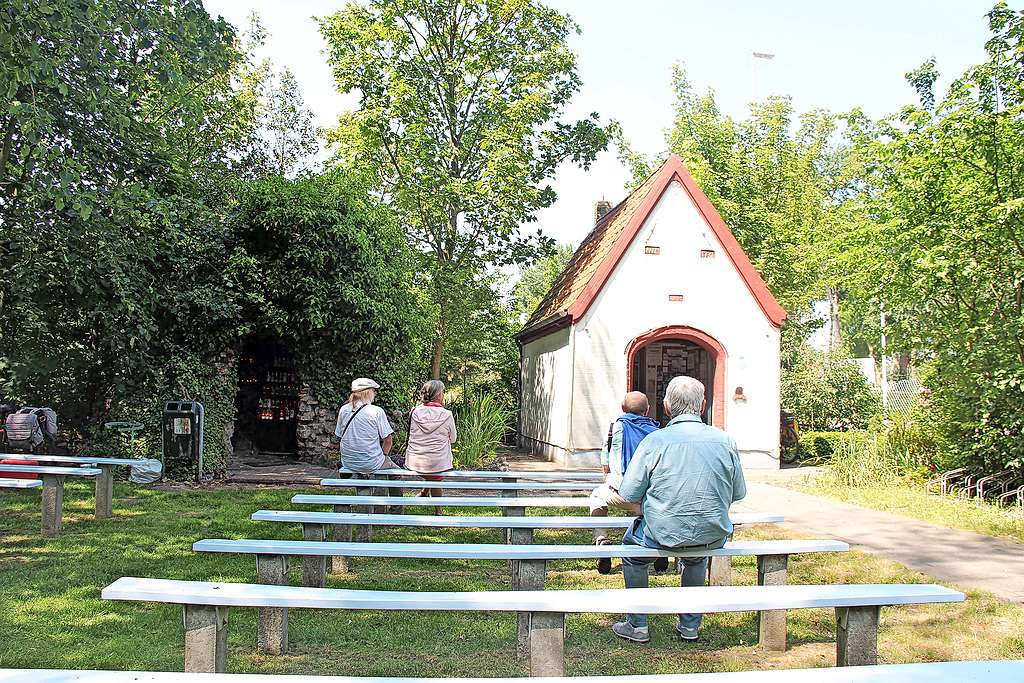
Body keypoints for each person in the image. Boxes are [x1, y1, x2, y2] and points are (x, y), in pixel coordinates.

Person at [612, 375, 747, 644]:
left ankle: (637, 624)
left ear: (666, 406)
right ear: (703, 405)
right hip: (712, 533)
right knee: (697, 557)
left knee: (633, 556)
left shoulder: (654, 442)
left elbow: (628, 493)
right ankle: (690, 627)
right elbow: (738, 493)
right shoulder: (726, 441)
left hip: (662, 532)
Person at [589, 391, 659, 574]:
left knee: (597, 496)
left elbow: (606, 462)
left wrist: (610, 480)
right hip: (651, 499)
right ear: (647, 410)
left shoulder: (615, 428)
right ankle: (657, 546)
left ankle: (601, 540)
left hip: (623, 494)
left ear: (623, 408)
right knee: (649, 509)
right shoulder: (657, 432)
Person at [404, 379, 457, 515]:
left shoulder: (414, 411)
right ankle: (438, 511)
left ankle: (424, 492)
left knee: (431, 463)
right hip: (437, 462)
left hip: (415, 460)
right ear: (439, 395)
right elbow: (453, 439)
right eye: (443, 392)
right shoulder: (447, 414)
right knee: (435, 470)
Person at [335, 377, 399, 473]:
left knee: (365, 468)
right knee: (396, 472)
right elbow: (388, 440)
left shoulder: (343, 409)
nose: (375, 393)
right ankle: (382, 487)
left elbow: (339, 436)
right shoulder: (376, 411)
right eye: (374, 390)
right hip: (371, 463)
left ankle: (364, 488)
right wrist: (384, 456)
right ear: (368, 392)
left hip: (348, 462)